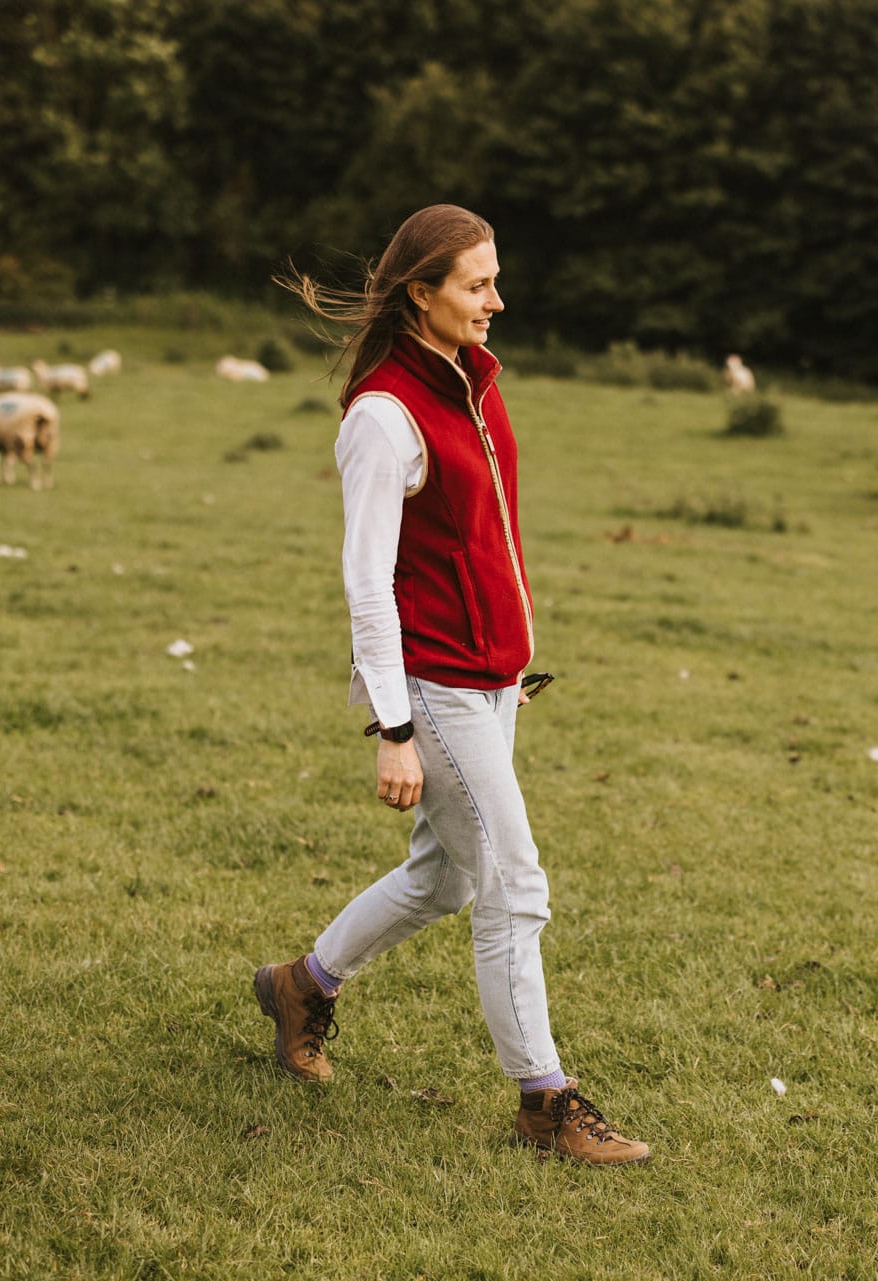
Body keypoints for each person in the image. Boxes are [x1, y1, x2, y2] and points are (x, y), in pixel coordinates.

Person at [255, 205, 650, 1167]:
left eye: (494, 278)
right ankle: (544, 1101)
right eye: (477, 284)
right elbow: (367, 579)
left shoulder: (473, 386)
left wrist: (509, 670)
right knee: (515, 885)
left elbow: (480, 543)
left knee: (447, 875)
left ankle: (302, 984)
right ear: (421, 292)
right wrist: (394, 724)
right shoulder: (385, 415)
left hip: (489, 681)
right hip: (430, 686)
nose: (496, 300)